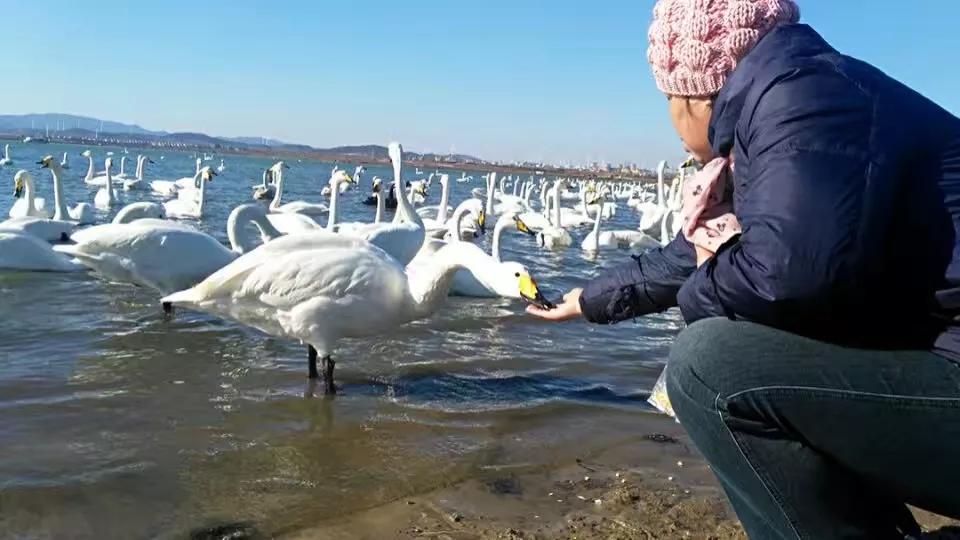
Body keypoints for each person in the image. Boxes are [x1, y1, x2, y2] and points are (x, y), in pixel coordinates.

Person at [527, 0, 960, 538]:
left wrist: (698, 298)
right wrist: (590, 298)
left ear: (690, 93)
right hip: (942, 354)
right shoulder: (810, 89)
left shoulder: (801, 102)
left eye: (665, 98)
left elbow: (784, 272)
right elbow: (719, 252)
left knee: (708, 364)